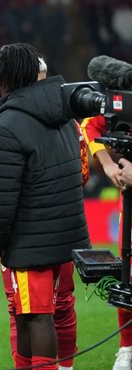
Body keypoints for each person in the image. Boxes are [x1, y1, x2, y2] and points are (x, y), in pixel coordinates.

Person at [0, 43, 91, 370]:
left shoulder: (2, 126)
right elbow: (82, 174)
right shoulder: (68, 118)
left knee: (33, 315)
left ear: (4, 77)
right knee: (60, 307)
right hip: (68, 234)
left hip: (30, 240)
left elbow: (1, 197)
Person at [81, 114, 132, 370]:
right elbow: (89, 125)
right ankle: (127, 348)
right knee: (128, 275)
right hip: (130, 203)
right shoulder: (124, 101)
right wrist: (108, 163)